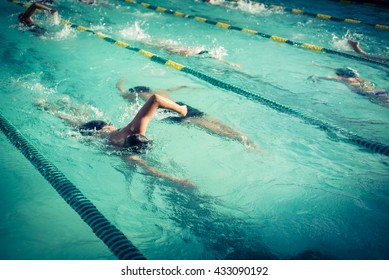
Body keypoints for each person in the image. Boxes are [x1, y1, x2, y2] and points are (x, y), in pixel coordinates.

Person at [35, 94, 196, 188]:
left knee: (78, 119)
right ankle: (48, 107)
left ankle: (63, 103)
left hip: (101, 125)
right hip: (92, 133)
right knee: (70, 121)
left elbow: (155, 98)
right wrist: (177, 180)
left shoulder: (135, 129)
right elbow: (151, 170)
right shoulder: (126, 153)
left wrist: (180, 109)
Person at [116, 79, 260, 150]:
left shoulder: (138, 96)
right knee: (210, 120)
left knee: (199, 122)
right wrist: (188, 87)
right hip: (179, 104)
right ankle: (244, 138)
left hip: (166, 111)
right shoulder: (160, 91)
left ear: (137, 91)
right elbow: (175, 87)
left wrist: (120, 84)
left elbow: (123, 92)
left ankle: (235, 138)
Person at [310, 62, 388, 106]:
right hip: (379, 90)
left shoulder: (345, 79)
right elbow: (338, 70)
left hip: (370, 94)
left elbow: (330, 77)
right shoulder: (359, 77)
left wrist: (317, 77)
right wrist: (322, 65)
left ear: (342, 75)